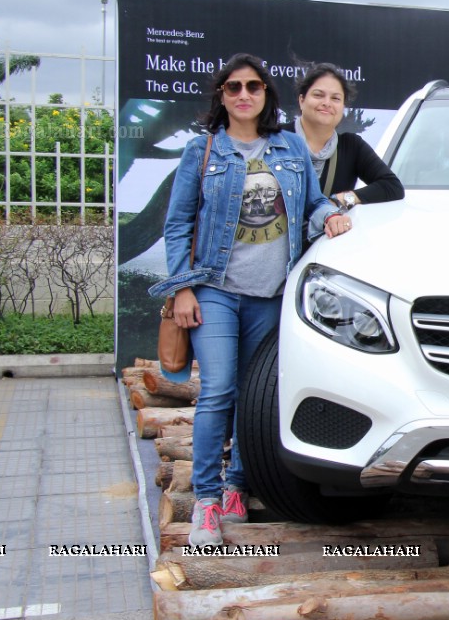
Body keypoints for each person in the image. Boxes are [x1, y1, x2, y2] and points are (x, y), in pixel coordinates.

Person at [149, 53, 355, 547]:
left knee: (252, 394)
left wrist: (330, 213)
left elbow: (310, 202)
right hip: (216, 289)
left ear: (267, 95)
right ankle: (206, 499)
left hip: (273, 294)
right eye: (234, 87)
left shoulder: (288, 147)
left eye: (254, 87)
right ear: (221, 96)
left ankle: (238, 485)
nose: (244, 95)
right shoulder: (202, 152)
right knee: (218, 390)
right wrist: (181, 288)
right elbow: (178, 224)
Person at [287, 62, 404, 210]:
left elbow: (392, 186)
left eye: (335, 98)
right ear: (301, 100)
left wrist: (341, 200)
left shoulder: (351, 146)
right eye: (318, 95)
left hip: (326, 233)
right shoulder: (276, 138)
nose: (326, 103)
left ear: (343, 107)